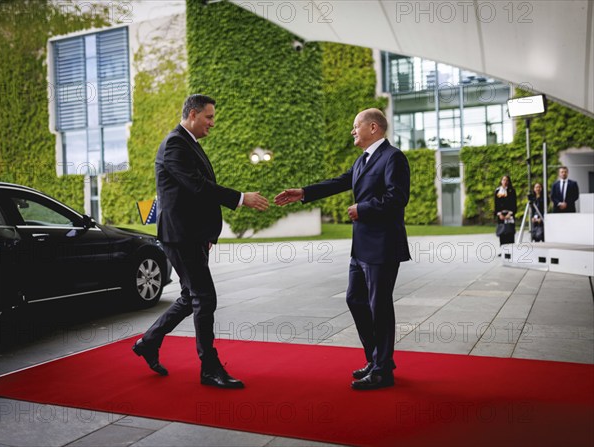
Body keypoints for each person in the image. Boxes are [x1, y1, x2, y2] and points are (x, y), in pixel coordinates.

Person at [132, 94, 269, 389]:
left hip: (191, 235)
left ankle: (149, 341)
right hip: (180, 236)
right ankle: (209, 369)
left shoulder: (187, 143)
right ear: (192, 114)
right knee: (205, 299)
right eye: (209, 117)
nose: (212, 124)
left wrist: (206, 233)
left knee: (189, 297)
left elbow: (194, 196)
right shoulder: (174, 144)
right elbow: (196, 186)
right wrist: (242, 198)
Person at [274, 108, 410, 391]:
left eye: (355, 126)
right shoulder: (363, 160)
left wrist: (364, 208)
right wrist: (304, 192)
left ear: (373, 128)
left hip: (383, 245)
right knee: (355, 300)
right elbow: (339, 181)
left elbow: (397, 198)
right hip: (360, 247)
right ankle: (376, 359)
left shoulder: (393, 157)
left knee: (379, 307)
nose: (352, 131)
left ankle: (383, 370)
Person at [494, 175, 517, 246]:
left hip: (509, 214)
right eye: (503, 180)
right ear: (501, 181)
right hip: (501, 214)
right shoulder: (498, 191)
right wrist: (499, 214)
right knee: (502, 231)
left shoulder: (511, 191)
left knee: (510, 231)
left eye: (506, 180)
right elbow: (496, 204)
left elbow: (513, 203)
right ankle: (503, 249)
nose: (505, 182)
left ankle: (511, 249)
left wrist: (510, 214)